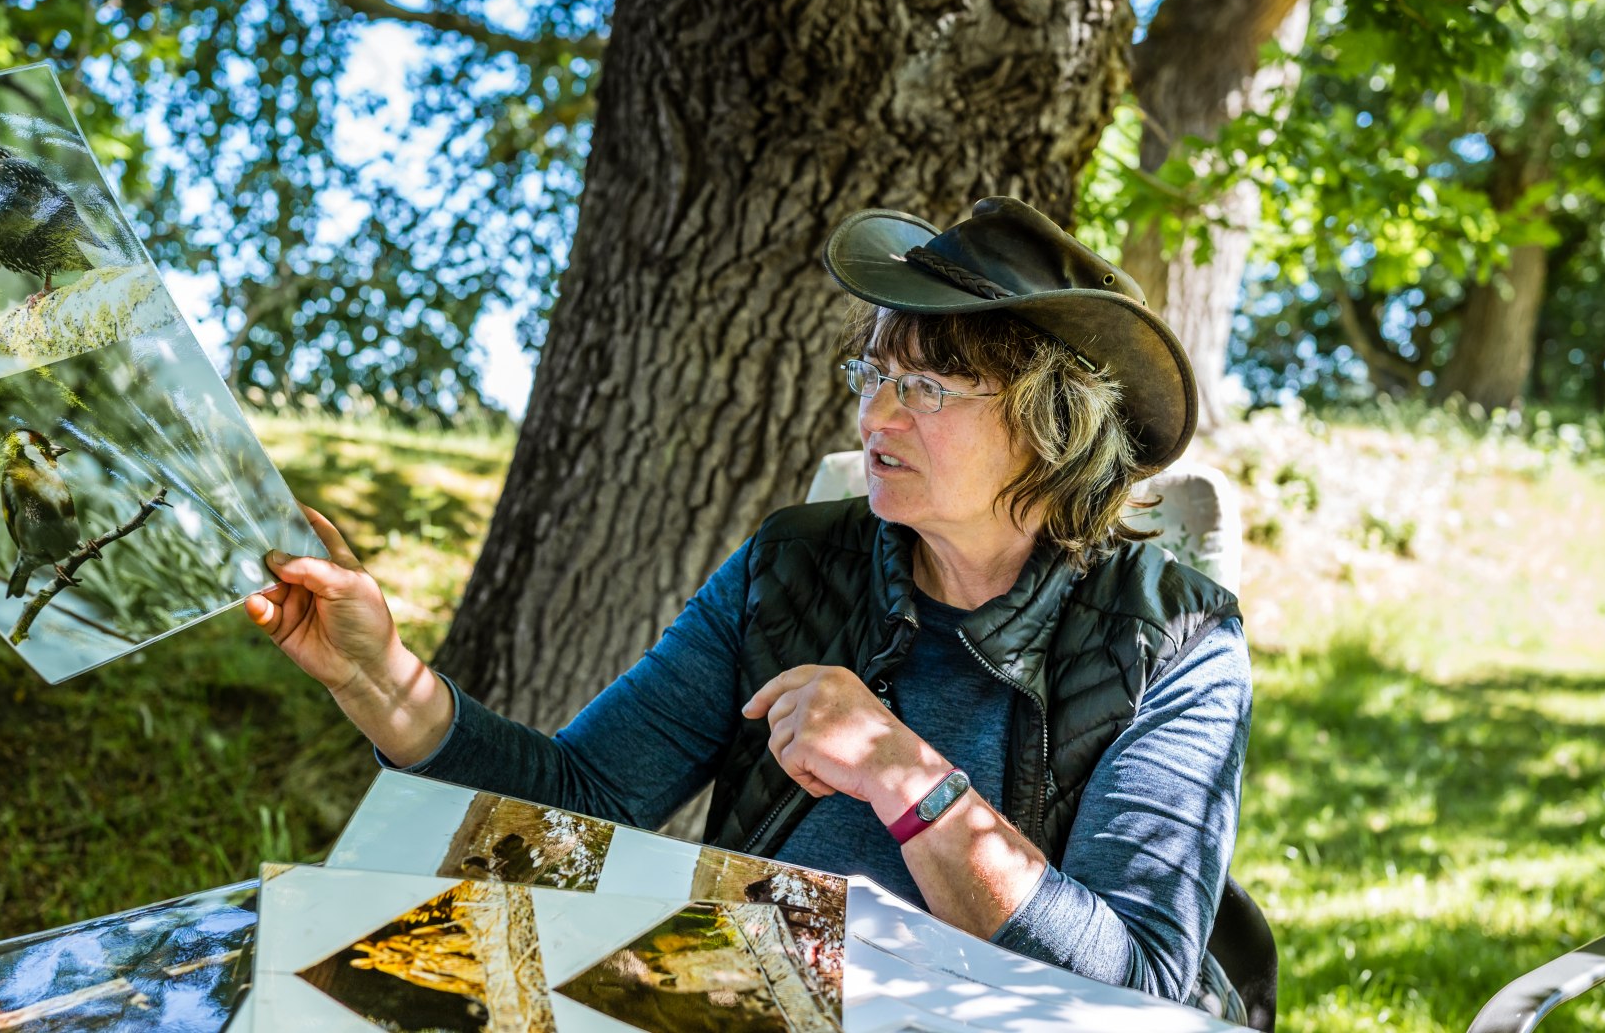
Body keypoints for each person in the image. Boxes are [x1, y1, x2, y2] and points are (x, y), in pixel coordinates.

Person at [246, 197, 1252, 1019]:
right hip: (734, 990)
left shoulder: (1177, 640)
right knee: (323, 981)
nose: (875, 415)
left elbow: (1139, 989)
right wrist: (377, 676)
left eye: (929, 389)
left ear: (1050, 425)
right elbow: (578, 806)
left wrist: (911, 780)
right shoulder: (798, 565)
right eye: (875, 375)